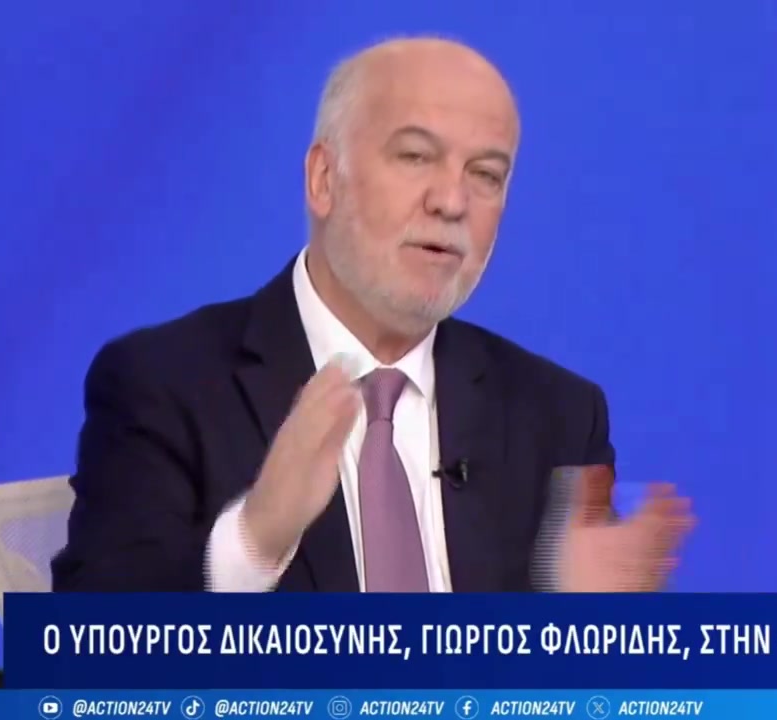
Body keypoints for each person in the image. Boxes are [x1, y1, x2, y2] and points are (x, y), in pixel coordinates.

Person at [51, 36, 694, 593]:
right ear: (324, 179)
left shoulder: (558, 414)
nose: (451, 201)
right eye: (415, 156)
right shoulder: (165, 383)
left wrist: (591, 630)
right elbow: (87, 645)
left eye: (486, 174)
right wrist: (254, 538)